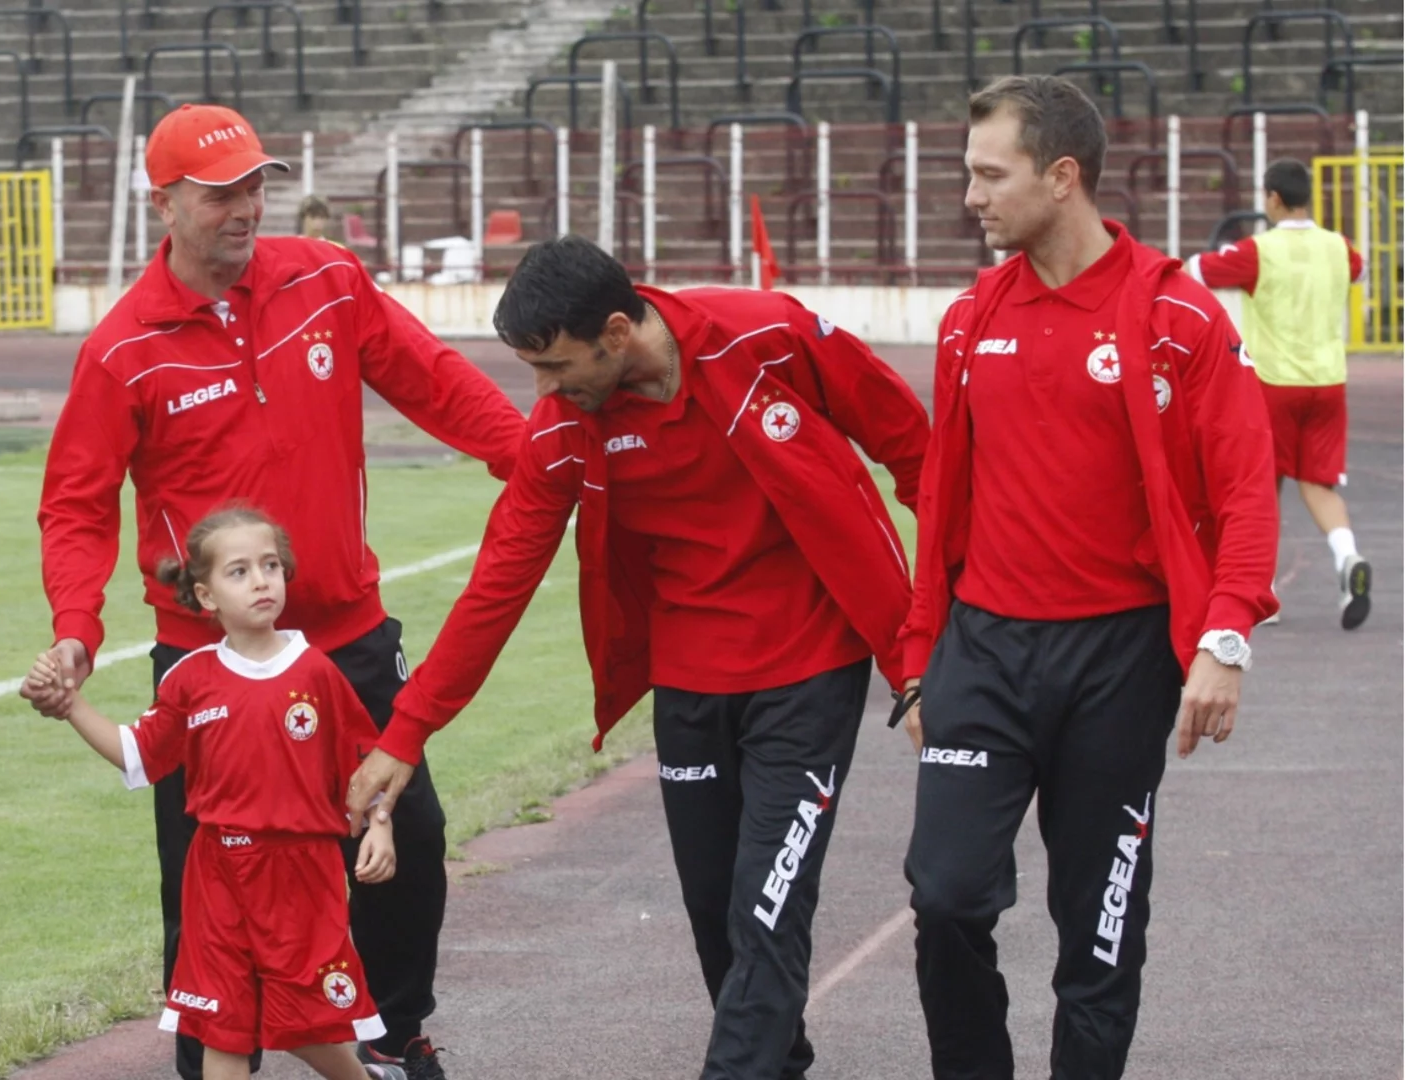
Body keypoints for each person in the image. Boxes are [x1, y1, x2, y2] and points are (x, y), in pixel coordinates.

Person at [347, 234, 931, 1080]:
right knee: (714, 918)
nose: (542, 392)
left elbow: (913, 448)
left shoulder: (765, 336)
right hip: (687, 684)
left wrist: (927, 649)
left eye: (554, 366)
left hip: (810, 667)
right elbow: (497, 585)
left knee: (768, 910)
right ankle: (779, 1062)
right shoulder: (562, 429)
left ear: (618, 333)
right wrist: (407, 733)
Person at [22, 102, 524, 1080]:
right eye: (221, 194)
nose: (246, 207)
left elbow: (430, 378)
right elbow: (76, 505)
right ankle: (215, 1055)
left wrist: (530, 461)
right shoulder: (124, 346)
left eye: (256, 185)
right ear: (164, 201)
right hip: (207, 663)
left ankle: (392, 1032)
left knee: (408, 837)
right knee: (209, 873)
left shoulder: (327, 279)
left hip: (350, 635)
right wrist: (77, 628)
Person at [896, 76, 1278, 1080]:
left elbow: (1246, 490)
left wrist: (1223, 640)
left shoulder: (1176, 317)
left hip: (1119, 660)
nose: (971, 196)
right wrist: (916, 658)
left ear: (1063, 177)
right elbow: (942, 505)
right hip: (982, 648)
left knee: (1098, 927)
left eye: (990, 174)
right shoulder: (970, 319)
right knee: (945, 896)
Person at [30, 508, 407, 1080]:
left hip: (301, 873)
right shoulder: (188, 678)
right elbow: (138, 754)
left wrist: (380, 824)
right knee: (223, 1024)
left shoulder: (316, 673)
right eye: (239, 571)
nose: (260, 580)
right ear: (205, 596)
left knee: (301, 1021)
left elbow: (366, 764)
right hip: (216, 876)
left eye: (270, 565)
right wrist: (70, 704)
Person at [1186, 158, 1372, 629]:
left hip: (1272, 383)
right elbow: (1361, 270)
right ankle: (1347, 558)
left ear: (1271, 197)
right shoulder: (1337, 247)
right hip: (1327, 380)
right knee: (1319, 484)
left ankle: (1261, 590)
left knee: (1261, 486)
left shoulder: (1258, 251)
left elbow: (1197, 271)